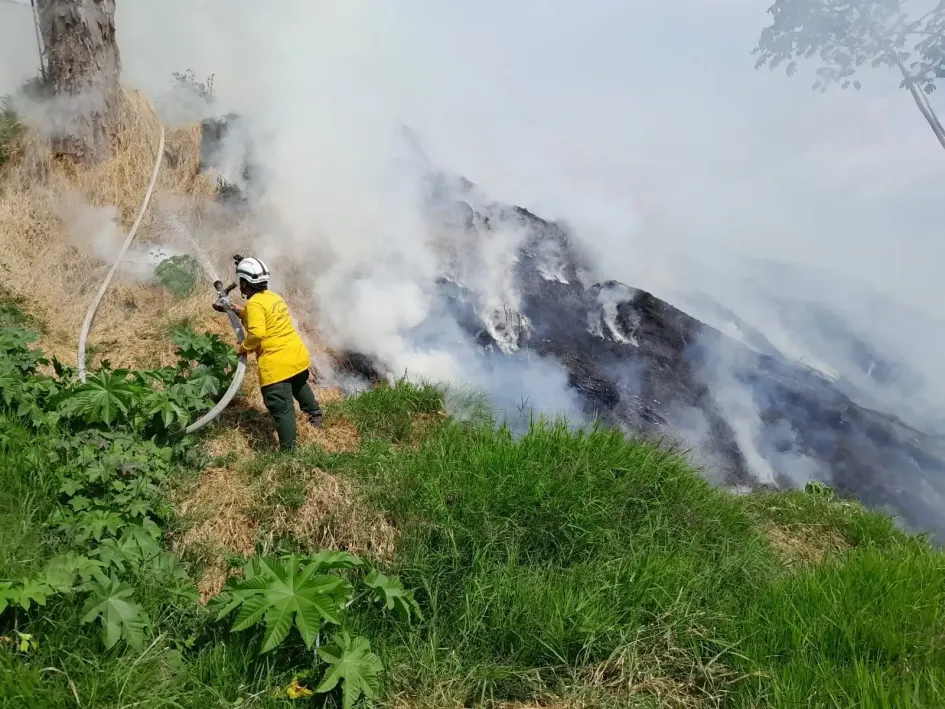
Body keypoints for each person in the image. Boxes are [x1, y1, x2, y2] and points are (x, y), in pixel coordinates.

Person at [216, 256, 323, 451]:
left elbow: (257, 332)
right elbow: (260, 315)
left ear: (245, 283)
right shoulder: (273, 297)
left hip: (277, 366)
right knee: (299, 383)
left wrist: (243, 347)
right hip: (296, 356)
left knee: (281, 407)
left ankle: (288, 452)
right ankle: (315, 414)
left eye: (241, 282)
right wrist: (232, 309)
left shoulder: (255, 304)